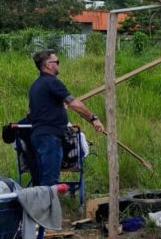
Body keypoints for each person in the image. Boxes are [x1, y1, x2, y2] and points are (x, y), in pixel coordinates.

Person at [28, 50, 106, 186]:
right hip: (49, 137)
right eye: (57, 62)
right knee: (50, 182)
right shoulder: (52, 82)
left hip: (38, 136)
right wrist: (93, 119)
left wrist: (56, 107)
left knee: (42, 179)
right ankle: (47, 207)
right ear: (48, 65)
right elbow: (75, 104)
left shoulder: (36, 85)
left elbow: (33, 111)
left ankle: (42, 205)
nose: (59, 64)